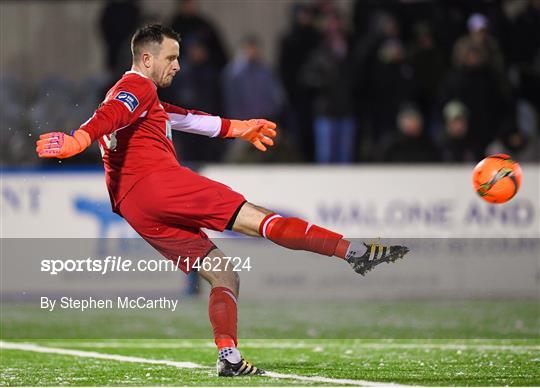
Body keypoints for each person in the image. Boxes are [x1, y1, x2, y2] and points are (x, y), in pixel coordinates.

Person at [35, 24, 409, 377]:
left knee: (223, 273)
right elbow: (110, 114)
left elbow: (185, 118)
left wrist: (238, 127)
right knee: (258, 220)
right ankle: (353, 252)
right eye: (171, 57)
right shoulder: (136, 88)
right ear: (146, 59)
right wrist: (78, 140)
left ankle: (228, 356)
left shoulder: (139, 98)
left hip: (133, 206)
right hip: (160, 184)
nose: (178, 65)